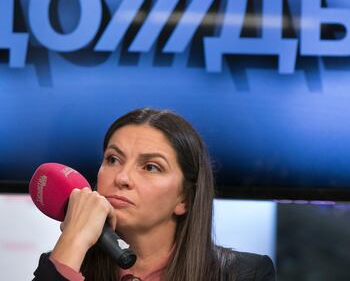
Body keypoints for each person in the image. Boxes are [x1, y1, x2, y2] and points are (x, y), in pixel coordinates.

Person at [33, 108, 276, 281]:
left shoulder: (245, 274)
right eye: (113, 159)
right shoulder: (65, 263)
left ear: (185, 199)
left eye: (151, 167)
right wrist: (75, 239)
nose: (122, 178)